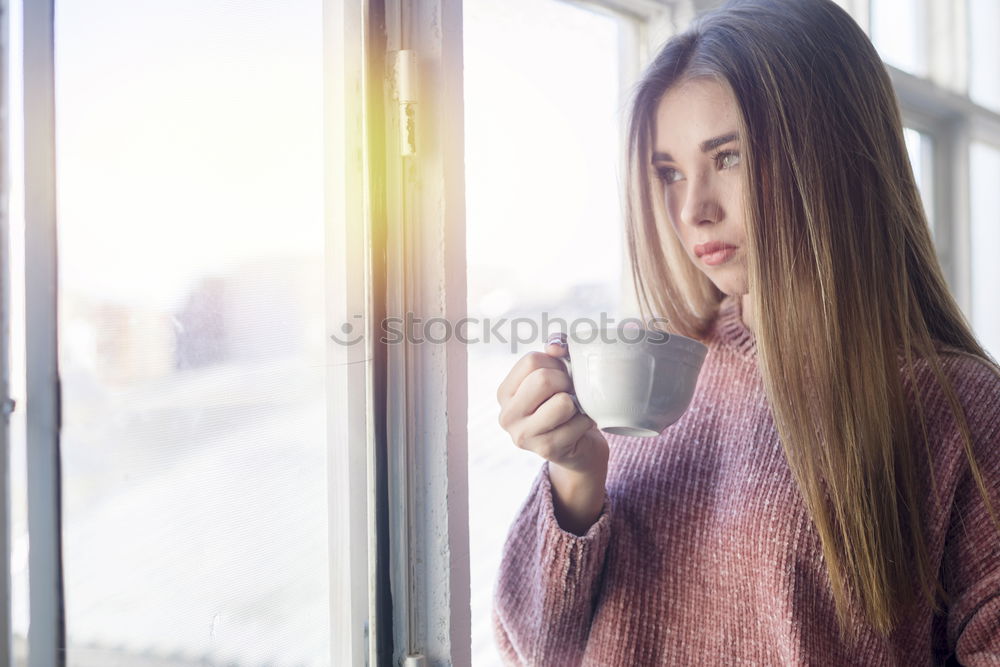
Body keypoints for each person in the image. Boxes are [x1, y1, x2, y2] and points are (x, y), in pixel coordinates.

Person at [491, 0, 1000, 664]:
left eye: (727, 157)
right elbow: (536, 647)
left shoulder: (956, 408)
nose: (692, 208)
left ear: (834, 153)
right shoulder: (653, 375)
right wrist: (574, 477)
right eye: (669, 172)